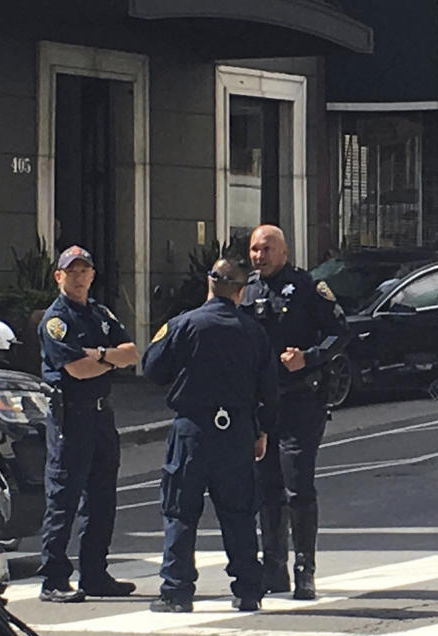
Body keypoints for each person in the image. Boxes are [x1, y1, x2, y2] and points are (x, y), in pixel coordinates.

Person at [142, 258, 278, 613]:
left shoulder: (184, 324)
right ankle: (249, 590)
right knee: (239, 513)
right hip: (236, 432)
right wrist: (259, 431)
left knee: (180, 512)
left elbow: (153, 369)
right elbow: (269, 390)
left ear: (210, 283)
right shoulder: (254, 332)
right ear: (242, 291)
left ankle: (176, 591)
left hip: (192, 430)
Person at [241, 225, 350, 600]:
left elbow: (339, 331)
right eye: (255, 249)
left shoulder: (306, 287)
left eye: (267, 249)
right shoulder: (247, 290)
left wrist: (309, 358)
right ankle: (274, 567)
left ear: (284, 252)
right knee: (265, 487)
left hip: (301, 401)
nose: (259, 255)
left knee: (297, 485)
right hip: (260, 407)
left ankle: (306, 570)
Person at [37, 245, 140, 603]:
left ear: (93, 275)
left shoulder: (99, 314)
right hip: (72, 416)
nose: (79, 277)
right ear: (59, 276)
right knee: (64, 498)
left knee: (101, 499)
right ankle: (53, 579)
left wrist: (99, 356)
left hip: (101, 416)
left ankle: (94, 574)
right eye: (72, 271)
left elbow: (132, 352)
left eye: (85, 270)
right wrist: (109, 359)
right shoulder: (57, 320)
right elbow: (76, 371)